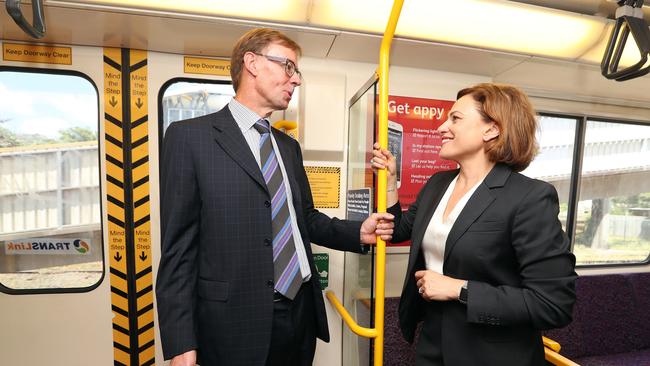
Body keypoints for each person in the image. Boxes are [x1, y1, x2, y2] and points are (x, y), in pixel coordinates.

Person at [156, 28, 394, 366]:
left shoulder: (287, 147)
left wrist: (358, 232)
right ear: (251, 63)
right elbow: (178, 251)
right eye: (289, 67)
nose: (295, 80)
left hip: (300, 315)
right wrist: (181, 343)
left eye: (296, 71)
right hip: (232, 324)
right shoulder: (190, 138)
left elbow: (304, 219)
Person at [371, 83, 577, 366]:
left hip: (492, 354)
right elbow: (401, 230)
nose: (442, 127)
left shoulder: (529, 197)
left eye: (455, 119)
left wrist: (459, 288)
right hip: (432, 339)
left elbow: (553, 305)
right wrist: (391, 180)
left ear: (491, 130)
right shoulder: (437, 185)